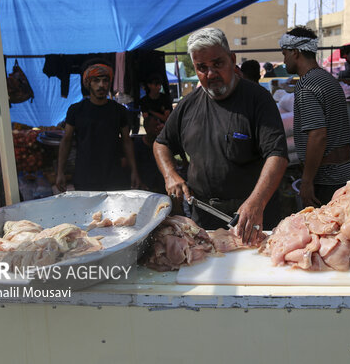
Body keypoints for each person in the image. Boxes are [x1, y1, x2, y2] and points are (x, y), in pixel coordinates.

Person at [154, 27, 289, 244]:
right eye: (202, 67)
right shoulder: (188, 104)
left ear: (232, 60)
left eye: (217, 64)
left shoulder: (257, 99)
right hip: (203, 216)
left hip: (251, 216)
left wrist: (257, 202)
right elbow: (161, 143)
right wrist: (170, 174)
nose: (211, 74)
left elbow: (278, 155)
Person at [279, 26, 350, 207]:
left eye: (285, 54)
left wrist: (306, 182)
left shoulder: (306, 85)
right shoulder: (327, 79)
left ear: (295, 52)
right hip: (344, 171)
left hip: (327, 179)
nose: (284, 61)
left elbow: (318, 135)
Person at [56, 63, 141, 192]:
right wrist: (60, 172)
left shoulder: (119, 111)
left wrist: (134, 171)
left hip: (114, 176)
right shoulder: (76, 110)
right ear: (88, 83)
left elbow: (126, 141)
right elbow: (66, 140)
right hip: (85, 177)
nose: (101, 85)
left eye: (105, 81)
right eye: (96, 80)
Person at [133, 114, 166, 194]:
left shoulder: (163, 145)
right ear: (146, 128)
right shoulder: (137, 145)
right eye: (155, 126)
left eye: (159, 125)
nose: (158, 128)